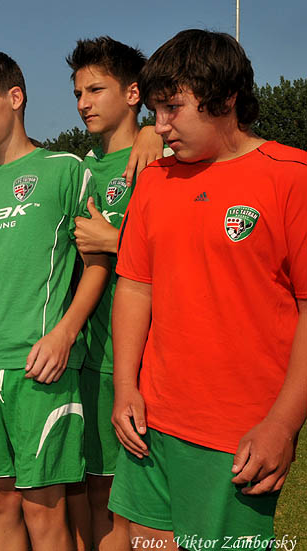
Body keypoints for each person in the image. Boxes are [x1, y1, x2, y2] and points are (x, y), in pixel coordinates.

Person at [109, 29, 307, 550]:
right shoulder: (155, 181)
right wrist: (126, 387)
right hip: (150, 424)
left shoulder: (292, 177)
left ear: (225, 97)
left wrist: (282, 425)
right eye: (155, 110)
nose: (160, 126)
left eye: (172, 108)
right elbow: (134, 288)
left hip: (238, 436)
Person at [0, 51, 111, 551]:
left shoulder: (65, 170)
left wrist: (64, 333)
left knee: (43, 510)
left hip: (40, 369)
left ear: (15, 97)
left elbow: (98, 261)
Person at [62, 36, 146, 551]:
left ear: (133, 93)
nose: (83, 103)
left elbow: (184, 257)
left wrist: (115, 241)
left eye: (96, 90)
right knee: (97, 490)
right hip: (90, 357)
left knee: (140, 503)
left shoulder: (161, 159)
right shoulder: (80, 170)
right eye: (78, 93)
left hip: (145, 361)